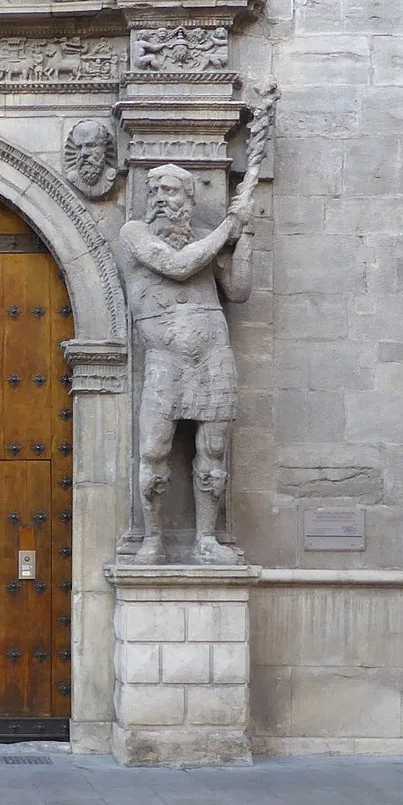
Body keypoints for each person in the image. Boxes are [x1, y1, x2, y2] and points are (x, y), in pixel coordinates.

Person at [116, 164, 254, 563]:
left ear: (190, 200)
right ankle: (153, 540)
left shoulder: (207, 242)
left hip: (213, 357)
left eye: (172, 191)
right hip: (165, 359)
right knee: (155, 451)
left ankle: (207, 541)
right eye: (154, 191)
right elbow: (177, 266)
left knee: (213, 451)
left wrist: (245, 236)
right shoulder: (135, 234)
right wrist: (228, 228)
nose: (161, 198)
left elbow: (240, 290)